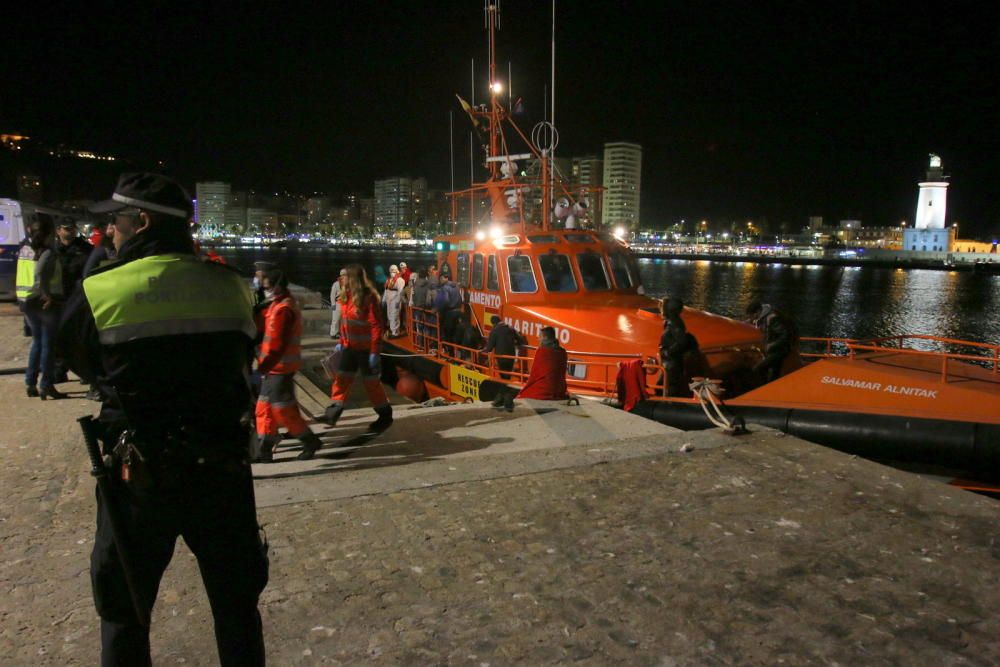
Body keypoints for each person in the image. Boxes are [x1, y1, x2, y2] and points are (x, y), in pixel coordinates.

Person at [58, 172, 268, 665]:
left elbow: (78, 358)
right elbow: (245, 354)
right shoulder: (232, 287)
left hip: (140, 475)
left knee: (126, 609)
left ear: (142, 222)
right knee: (237, 607)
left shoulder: (101, 290)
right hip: (220, 468)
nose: (109, 232)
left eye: (116, 222)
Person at [254, 267, 325, 463]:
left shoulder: (283, 309)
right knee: (264, 408)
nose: (261, 287)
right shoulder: (276, 305)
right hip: (274, 368)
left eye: (265, 283)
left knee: (282, 410)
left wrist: (260, 368)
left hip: (279, 368)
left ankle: (309, 441)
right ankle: (264, 450)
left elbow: (277, 344)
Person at [321, 264, 393, 434]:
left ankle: (385, 415)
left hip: (366, 350)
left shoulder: (368, 298)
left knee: (372, 384)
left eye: (345, 276)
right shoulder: (346, 297)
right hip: (349, 347)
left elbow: (376, 326)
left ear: (353, 279)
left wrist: (374, 352)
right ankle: (332, 412)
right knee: (341, 380)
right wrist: (342, 341)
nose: (341, 279)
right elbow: (346, 324)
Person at [16, 214, 66, 399]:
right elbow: (40, 272)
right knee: (48, 345)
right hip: (44, 301)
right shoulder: (47, 251)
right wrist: (46, 293)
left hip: (26, 300)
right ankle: (46, 385)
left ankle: (30, 383)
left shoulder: (25, 248)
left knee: (37, 341)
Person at [745, 299, 800, 383]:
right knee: (773, 371)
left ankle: (765, 387)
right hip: (775, 349)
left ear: (757, 312)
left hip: (781, 349)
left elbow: (785, 335)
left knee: (759, 368)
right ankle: (769, 386)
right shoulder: (764, 317)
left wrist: (771, 345)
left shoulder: (773, 318)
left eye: (751, 316)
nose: (751, 319)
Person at [515, 326, 568, 403]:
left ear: (545, 337)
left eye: (540, 336)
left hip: (546, 388)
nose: (538, 339)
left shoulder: (542, 351)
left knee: (526, 393)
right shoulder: (563, 351)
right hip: (560, 387)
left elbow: (534, 374)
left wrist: (526, 387)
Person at [659, 296, 700, 397]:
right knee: (664, 384)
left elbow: (681, 342)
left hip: (672, 363)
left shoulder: (674, 324)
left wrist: (668, 352)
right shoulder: (672, 323)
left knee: (670, 385)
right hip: (669, 362)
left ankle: (670, 402)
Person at [481, 315, 526, 379]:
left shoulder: (494, 331)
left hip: (501, 357)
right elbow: (521, 340)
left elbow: (489, 348)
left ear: (493, 323)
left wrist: (481, 351)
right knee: (508, 374)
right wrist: (514, 343)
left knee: (503, 375)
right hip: (511, 356)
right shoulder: (511, 328)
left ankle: (504, 387)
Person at [383, 264, 405, 337]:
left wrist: (398, 301)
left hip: (395, 300)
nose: (392, 272)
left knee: (394, 316)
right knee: (389, 315)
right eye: (391, 270)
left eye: (393, 270)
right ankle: (392, 330)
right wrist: (384, 300)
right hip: (389, 300)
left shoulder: (400, 280)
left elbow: (400, 292)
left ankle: (395, 332)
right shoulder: (388, 280)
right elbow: (386, 290)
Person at [329, 267, 346, 340]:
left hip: (345, 304)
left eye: (345, 274)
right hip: (338, 304)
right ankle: (333, 333)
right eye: (343, 274)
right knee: (335, 319)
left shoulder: (349, 283)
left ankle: (343, 332)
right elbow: (332, 295)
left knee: (344, 320)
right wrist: (333, 304)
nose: (344, 276)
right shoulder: (336, 284)